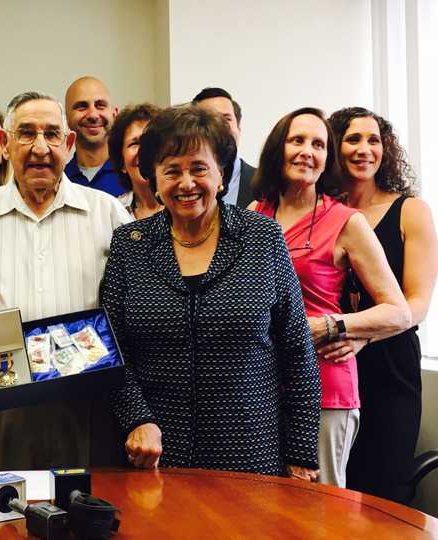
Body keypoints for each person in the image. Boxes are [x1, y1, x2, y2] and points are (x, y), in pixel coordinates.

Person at [101, 104, 322, 479]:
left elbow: (298, 354)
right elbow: (111, 352)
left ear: (221, 173)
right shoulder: (130, 244)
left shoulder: (262, 238)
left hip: (252, 454)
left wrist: (301, 455)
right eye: (171, 171)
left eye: (198, 168)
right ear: (154, 179)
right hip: (157, 457)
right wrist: (137, 419)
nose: (186, 183)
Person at [0, 91, 131, 474]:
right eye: (26, 133)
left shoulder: (106, 212)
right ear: (5, 143)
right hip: (0, 406)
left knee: (85, 517)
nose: (41, 148)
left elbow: (129, 309)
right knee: (1, 525)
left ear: (70, 143)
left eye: (52, 134)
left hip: (86, 406)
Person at [249, 107, 411, 488]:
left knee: (320, 509)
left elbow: (399, 312)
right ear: (278, 148)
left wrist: (333, 325)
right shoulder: (257, 212)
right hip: (264, 384)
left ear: (328, 159)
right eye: (297, 140)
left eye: (318, 144)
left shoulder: (346, 221)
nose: (308, 151)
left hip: (326, 387)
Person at [328, 107, 438, 502]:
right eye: (353, 139)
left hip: (390, 367)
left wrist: (361, 336)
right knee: (335, 492)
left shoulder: (411, 211)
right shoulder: (324, 212)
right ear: (335, 148)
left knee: (382, 492)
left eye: (373, 140)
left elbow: (417, 305)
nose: (364, 149)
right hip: (332, 365)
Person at [192, 87, 255, 208]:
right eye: (210, 119)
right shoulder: (178, 184)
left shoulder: (267, 184)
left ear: (238, 127)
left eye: (227, 119)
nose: (220, 127)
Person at [64, 76, 124, 197]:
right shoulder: (59, 182)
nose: (93, 115)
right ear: (66, 118)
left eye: (100, 105)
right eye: (82, 106)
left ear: (114, 114)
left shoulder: (133, 177)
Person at [107, 103, 163, 219]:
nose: (144, 151)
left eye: (150, 141)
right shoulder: (112, 212)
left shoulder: (182, 205)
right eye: (134, 143)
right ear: (121, 161)